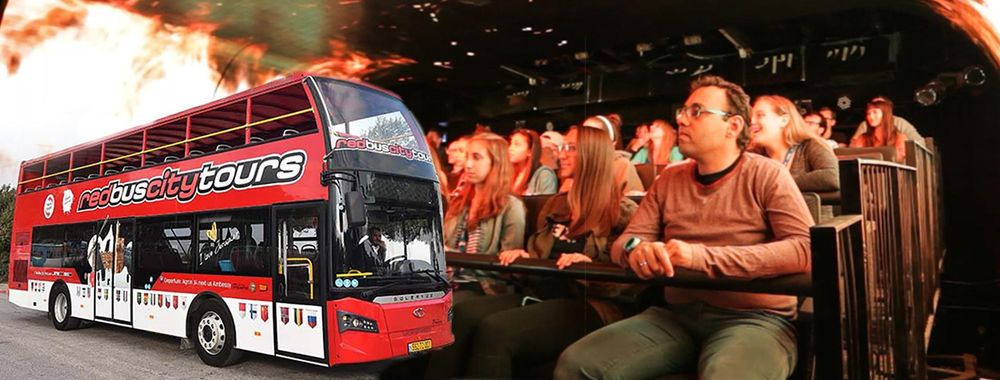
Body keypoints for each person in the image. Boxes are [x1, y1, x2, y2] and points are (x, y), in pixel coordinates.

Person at [555, 75, 813, 380]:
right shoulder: (669, 179)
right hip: (677, 316)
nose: (681, 119)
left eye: (697, 112)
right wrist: (636, 251)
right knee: (576, 365)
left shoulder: (767, 175)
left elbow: (804, 248)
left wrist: (699, 258)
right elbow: (625, 241)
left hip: (754, 320)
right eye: (683, 111)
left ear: (733, 126)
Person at [462, 126, 639, 378]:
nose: (561, 154)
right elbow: (539, 256)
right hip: (541, 292)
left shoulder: (621, 211)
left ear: (592, 155)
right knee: (462, 315)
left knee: (495, 330)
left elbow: (631, 282)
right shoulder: (556, 205)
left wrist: (588, 268)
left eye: (571, 148)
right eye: (561, 147)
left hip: (590, 303)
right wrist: (524, 258)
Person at [430, 132, 526, 379]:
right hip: (451, 281)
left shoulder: (511, 207)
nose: (468, 164)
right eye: (467, 156)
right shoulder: (461, 202)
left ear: (496, 163)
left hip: (484, 285)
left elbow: (509, 264)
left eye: (477, 157)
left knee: (453, 311)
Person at [749, 95, 840, 192]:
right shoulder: (753, 156)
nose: (752, 121)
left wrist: (777, 183)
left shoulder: (810, 145)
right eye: (750, 117)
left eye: (760, 115)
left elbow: (833, 176)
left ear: (784, 121)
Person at [575, 114, 645, 195]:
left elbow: (633, 204)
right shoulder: (579, 166)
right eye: (583, 134)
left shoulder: (622, 166)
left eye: (593, 135)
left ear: (610, 142)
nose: (586, 140)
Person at [850, 98, 908, 162]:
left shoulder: (899, 138)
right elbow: (854, 156)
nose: (870, 116)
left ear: (885, 114)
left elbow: (898, 159)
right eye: (868, 113)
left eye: (875, 112)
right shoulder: (862, 138)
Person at [850, 96, 925, 145]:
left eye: (876, 110)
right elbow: (853, 146)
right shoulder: (865, 126)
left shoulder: (900, 125)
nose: (871, 116)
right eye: (869, 112)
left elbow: (918, 142)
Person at [509, 128, 559, 195]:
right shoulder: (509, 175)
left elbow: (546, 203)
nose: (510, 148)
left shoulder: (544, 175)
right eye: (510, 143)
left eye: (517, 144)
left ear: (530, 151)